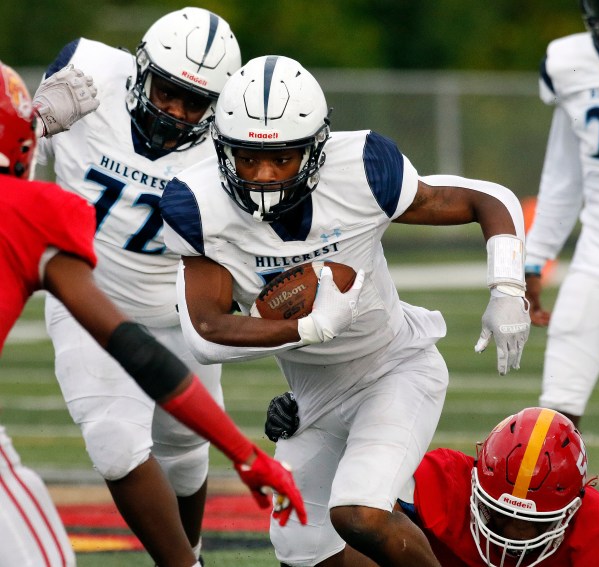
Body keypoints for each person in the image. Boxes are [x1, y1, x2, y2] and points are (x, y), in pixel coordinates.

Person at [160, 54, 531, 567]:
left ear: (316, 149)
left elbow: (489, 198)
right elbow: (205, 334)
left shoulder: (362, 167)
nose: (264, 175)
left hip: (394, 369)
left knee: (360, 514)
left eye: (283, 158)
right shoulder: (196, 203)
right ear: (222, 149)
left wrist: (507, 285)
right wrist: (306, 329)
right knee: (302, 552)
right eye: (247, 158)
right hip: (310, 395)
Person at [0, 61, 305, 567]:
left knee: (181, 453)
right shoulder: (29, 210)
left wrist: (35, 122)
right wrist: (246, 454)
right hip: (113, 311)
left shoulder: (225, 147)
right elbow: (132, 350)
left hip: (171, 310)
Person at [33, 7, 243, 566]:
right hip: (86, 291)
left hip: (177, 306)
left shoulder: (232, 139)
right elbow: (15, 174)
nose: (174, 111)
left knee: (186, 454)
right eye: (166, 91)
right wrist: (31, 121)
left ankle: (188, 552)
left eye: (193, 102)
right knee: (114, 442)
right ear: (139, 69)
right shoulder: (85, 75)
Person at [267, 400, 599, 566]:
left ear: (573, 507)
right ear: (476, 481)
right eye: (498, 514)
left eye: (529, 522)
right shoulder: (448, 480)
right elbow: (354, 482)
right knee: (357, 527)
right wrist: (312, 422)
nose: (510, 532)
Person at [524, 0, 599, 428]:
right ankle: (557, 497)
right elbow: (564, 176)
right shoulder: (569, 62)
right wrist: (533, 259)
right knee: (555, 416)